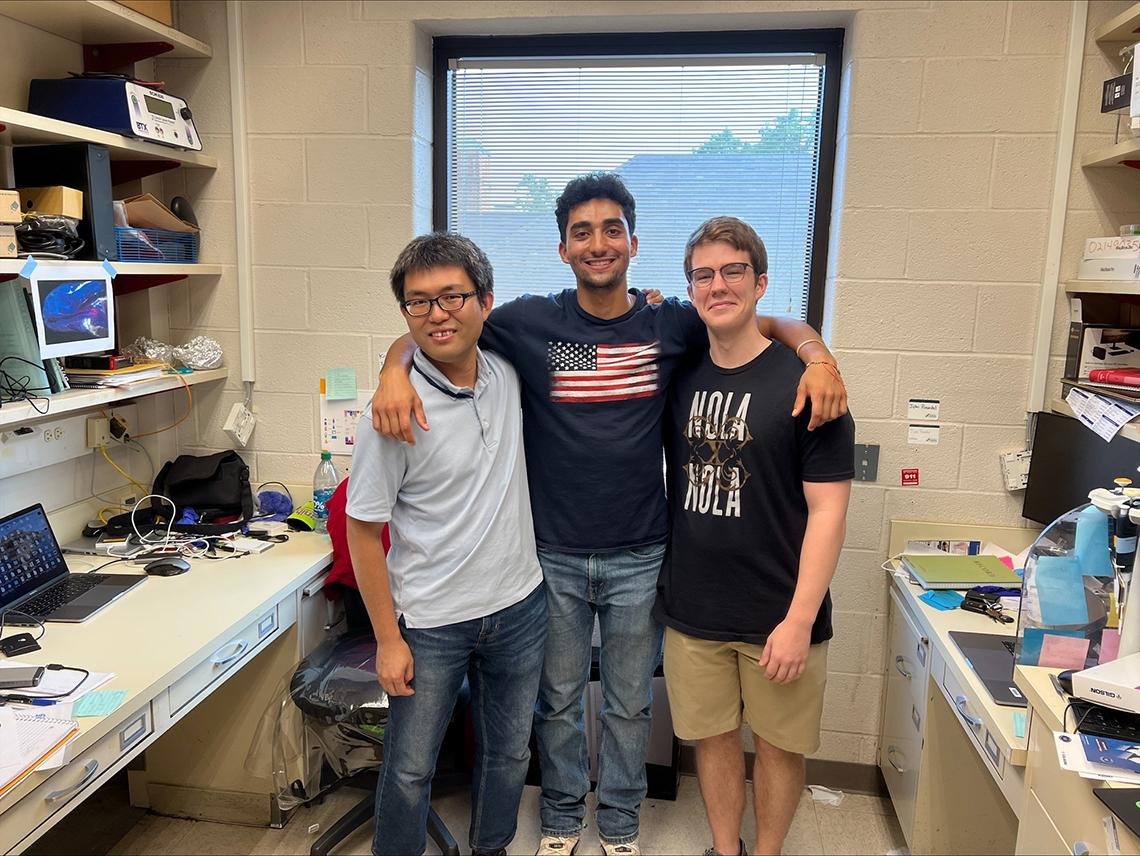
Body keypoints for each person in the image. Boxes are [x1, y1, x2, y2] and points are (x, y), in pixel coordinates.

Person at [371, 173, 848, 856]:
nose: (598, 243)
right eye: (582, 232)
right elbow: (438, 327)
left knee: (630, 705)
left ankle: (620, 824)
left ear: (632, 241)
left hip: (642, 553)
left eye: (611, 229)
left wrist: (818, 355)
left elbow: (764, 320)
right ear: (562, 248)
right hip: (552, 557)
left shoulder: (671, 321)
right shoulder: (529, 322)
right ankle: (564, 817)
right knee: (558, 703)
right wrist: (393, 369)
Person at [655, 217, 854, 856]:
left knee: (777, 746)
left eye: (733, 271)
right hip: (694, 608)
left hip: (780, 612)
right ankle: (725, 848)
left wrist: (799, 621)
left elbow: (828, 514)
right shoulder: (679, 375)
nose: (718, 286)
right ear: (691, 290)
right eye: (703, 275)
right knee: (712, 740)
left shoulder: (811, 386)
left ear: (761, 282)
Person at [346, 232, 546, 856]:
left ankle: (492, 847)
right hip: (431, 621)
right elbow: (361, 531)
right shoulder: (392, 415)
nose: (437, 313)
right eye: (418, 302)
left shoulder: (509, 375)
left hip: (519, 605)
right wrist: (386, 639)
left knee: (510, 753)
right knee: (409, 770)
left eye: (453, 296)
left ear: (485, 301)